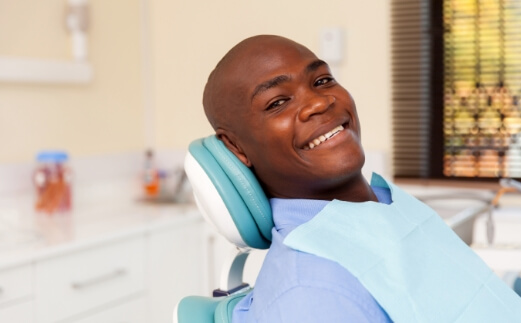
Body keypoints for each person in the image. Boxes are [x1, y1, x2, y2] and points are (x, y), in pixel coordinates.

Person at [203, 35, 392, 322]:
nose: (318, 103)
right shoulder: (311, 294)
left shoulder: (388, 204)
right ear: (236, 147)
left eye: (322, 81)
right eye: (277, 102)